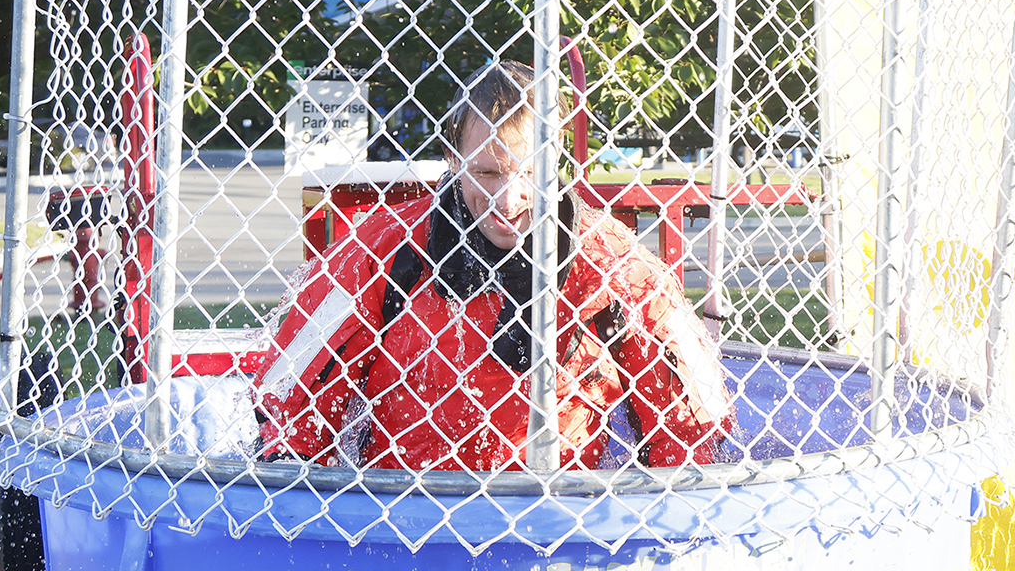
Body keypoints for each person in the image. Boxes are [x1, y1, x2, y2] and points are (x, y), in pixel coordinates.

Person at [254, 61, 733, 470]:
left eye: (529, 171)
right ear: (452, 160)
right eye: (486, 171)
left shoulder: (615, 266)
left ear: (556, 160)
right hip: (403, 516)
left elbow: (691, 424)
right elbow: (289, 403)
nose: (509, 200)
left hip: (561, 520)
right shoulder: (380, 250)